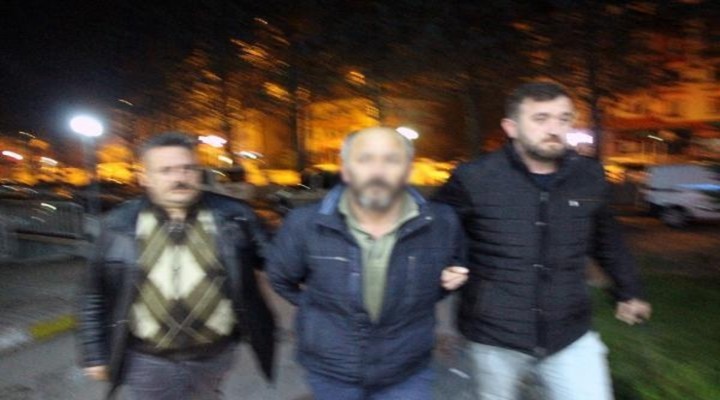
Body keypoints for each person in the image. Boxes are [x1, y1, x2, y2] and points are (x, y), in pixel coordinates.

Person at [434, 82, 652, 400]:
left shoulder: (588, 176)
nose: (554, 129)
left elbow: (607, 239)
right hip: (493, 335)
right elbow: (437, 231)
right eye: (541, 118)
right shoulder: (474, 178)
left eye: (564, 119)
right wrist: (449, 267)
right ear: (511, 127)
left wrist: (629, 290)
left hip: (569, 332)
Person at [267, 127, 469, 400]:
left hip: (407, 371)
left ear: (408, 170)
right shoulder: (305, 223)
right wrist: (322, 309)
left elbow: (448, 274)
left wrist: (451, 277)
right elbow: (281, 278)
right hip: (332, 372)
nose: (378, 170)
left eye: (391, 159)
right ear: (346, 170)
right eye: (365, 159)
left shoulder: (441, 222)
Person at [78, 132, 275, 399]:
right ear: (145, 178)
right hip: (148, 359)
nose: (180, 178)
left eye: (187, 168)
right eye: (166, 170)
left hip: (215, 355)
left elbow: (279, 263)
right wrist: (94, 354)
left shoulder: (235, 216)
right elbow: (92, 294)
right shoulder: (118, 225)